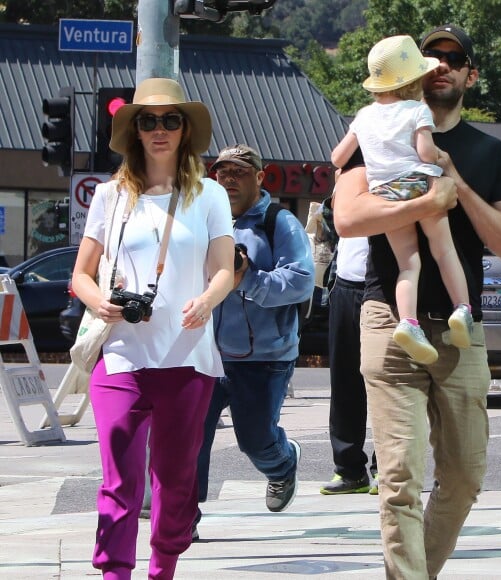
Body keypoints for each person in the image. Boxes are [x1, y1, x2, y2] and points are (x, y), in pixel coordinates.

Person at [333, 25, 501, 579]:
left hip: (462, 328)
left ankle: (422, 571)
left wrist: (454, 183)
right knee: (398, 478)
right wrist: (423, 199)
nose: (440, 65)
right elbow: (348, 219)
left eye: (453, 58)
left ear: (470, 75)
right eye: (430, 56)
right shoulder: (377, 131)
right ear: (414, 71)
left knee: (465, 477)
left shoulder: (490, 152)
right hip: (388, 319)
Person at [72, 77, 235, 580]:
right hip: (122, 357)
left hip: (187, 361)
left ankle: (163, 567)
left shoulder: (209, 195)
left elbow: (225, 268)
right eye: (149, 121)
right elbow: (81, 273)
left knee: (175, 480)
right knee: (119, 481)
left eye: (170, 120)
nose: (160, 130)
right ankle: (114, 573)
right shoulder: (110, 196)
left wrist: (207, 300)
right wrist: (98, 300)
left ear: (185, 130)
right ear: (135, 131)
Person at [331, 35, 473, 366]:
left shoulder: (365, 115)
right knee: (442, 250)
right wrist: (437, 157)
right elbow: (424, 152)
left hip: (385, 193)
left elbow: (338, 157)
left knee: (408, 264)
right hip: (421, 184)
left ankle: (408, 323)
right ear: (413, 80)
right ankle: (462, 310)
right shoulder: (417, 110)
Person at [196, 144, 315, 520]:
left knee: (255, 440)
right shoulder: (205, 219)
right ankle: (185, 515)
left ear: (259, 178)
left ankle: (281, 464)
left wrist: (248, 278)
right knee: (191, 438)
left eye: (239, 172)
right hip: (205, 354)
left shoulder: (278, 222)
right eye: (222, 172)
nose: (228, 179)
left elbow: (301, 281)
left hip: (264, 357)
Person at [320, 156, 377, 495]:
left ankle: (387, 466)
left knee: (385, 381)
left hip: (383, 287)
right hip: (346, 284)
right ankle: (349, 468)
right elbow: (337, 158)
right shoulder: (348, 175)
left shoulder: (394, 172)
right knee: (344, 380)